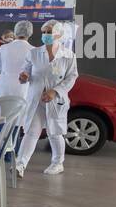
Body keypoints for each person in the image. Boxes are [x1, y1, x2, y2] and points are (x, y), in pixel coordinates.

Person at [15, 20, 78, 177]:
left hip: (55, 101)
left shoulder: (68, 56)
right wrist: (23, 76)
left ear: (59, 34)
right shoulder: (34, 53)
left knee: (54, 132)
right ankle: (20, 165)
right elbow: (25, 71)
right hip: (36, 99)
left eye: (49, 32)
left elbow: (71, 77)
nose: (45, 35)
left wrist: (55, 91)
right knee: (31, 132)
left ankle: (58, 163)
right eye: (43, 32)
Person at [0, 20, 34, 105]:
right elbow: (34, 72)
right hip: (22, 88)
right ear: (30, 33)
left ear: (15, 32)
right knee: (18, 114)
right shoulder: (33, 50)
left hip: (3, 86)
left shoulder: (4, 47)